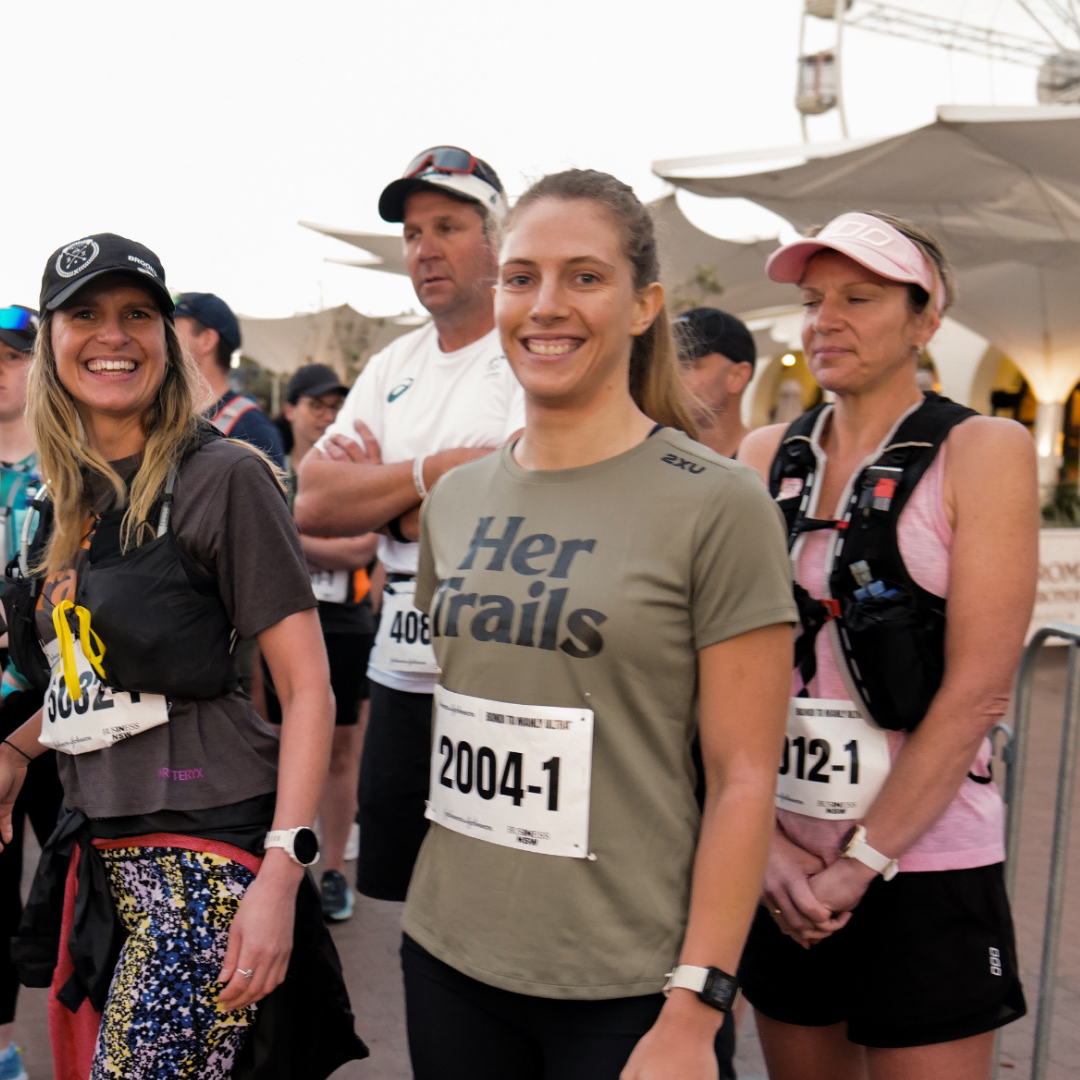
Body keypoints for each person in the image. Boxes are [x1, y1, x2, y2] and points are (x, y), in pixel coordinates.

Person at [400, 169, 795, 1080]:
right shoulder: (455, 500)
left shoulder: (720, 503)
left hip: (631, 987)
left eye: (584, 276)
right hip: (449, 956)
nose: (546, 305)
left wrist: (698, 1002)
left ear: (643, 305)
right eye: (522, 277)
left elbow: (745, 777)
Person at [0, 234, 365, 1079]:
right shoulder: (66, 492)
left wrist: (282, 874)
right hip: (103, 849)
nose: (112, 335)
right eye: (85, 315)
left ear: (168, 338)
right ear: (54, 343)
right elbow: (100, 681)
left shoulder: (225, 476)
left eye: (137, 314)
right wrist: (18, 750)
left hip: (205, 854)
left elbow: (308, 688)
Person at [737, 211, 1036, 1080]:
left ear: (924, 318)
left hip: (925, 858)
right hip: (785, 862)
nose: (825, 320)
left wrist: (860, 864)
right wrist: (767, 850)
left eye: (859, 298)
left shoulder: (983, 448)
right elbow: (723, 670)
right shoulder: (766, 454)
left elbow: (979, 693)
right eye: (812, 300)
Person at [295, 146, 525, 903]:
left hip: (500, 653)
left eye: (447, 227)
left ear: (498, 238)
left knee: (497, 881)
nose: (424, 249)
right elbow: (314, 500)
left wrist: (381, 490)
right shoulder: (393, 363)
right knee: (401, 888)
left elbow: (516, 496)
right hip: (401, 655)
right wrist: (435, 474)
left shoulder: (528, 346)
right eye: (413, 233)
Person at [269, 363, 379, 922]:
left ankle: (333, 871)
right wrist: (305, 544)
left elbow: (362, 549)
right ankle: (281, 870)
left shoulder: (354, 469)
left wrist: (288, 539)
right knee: (276, 745)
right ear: (290, 409)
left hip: (345, 623)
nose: (327, 416)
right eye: (316, 405)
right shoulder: (266, 468)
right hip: (278, 622)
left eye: (336, 406)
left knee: (341, 751)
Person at [0, 305, 61, 1080]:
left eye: (12, 355)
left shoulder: (73, 467)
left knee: (80, 880)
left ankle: (95, 1036)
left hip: (63, 706)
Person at [173, 291, 286, 468]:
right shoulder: (168, 418)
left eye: (172, 330)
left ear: (207, 340)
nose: (162, 338)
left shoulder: (253, 430)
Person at [673, 306, 756, 458]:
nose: (671, 379)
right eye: (667, 368)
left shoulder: (767, 465)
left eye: (686, 366)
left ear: (737, 377)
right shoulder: (656, 457)